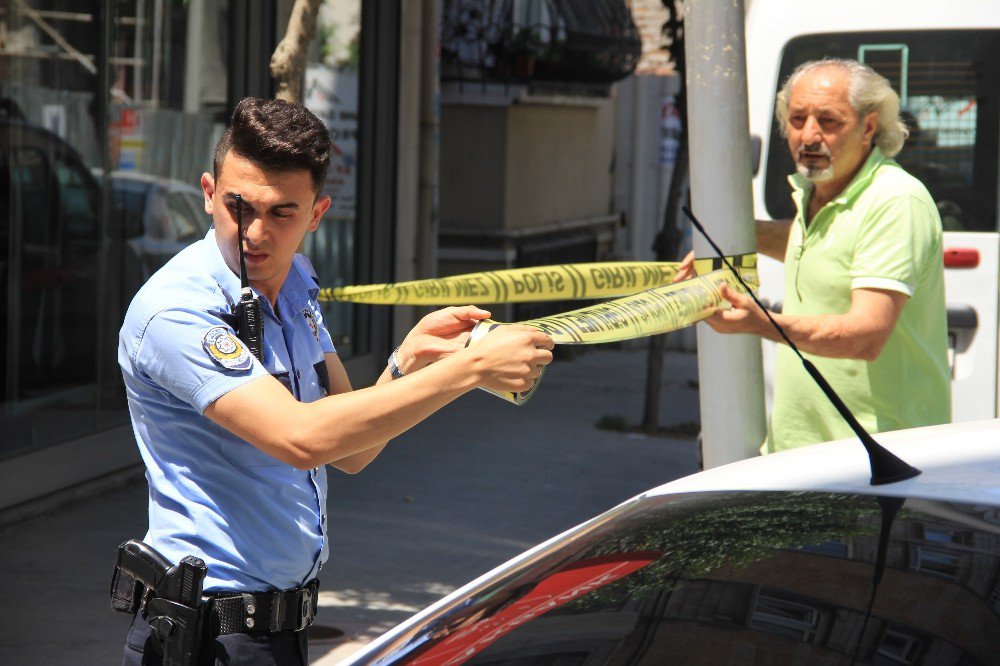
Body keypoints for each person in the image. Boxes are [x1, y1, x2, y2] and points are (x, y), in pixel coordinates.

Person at [116, 97, 553, 665]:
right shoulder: (175, 312)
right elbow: (303, 440)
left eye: (282, 213)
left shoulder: (294, 277)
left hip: (277, 631)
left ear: (317, 214)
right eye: (237, 206)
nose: (254, 232)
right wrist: (467, 370)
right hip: (208, 638)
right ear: (207, 191)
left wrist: (407, 362)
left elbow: (352, 451)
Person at [687, 58, 950, 453]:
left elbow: (866, 336)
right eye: (797, 119)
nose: (809, 135)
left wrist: (764, 324)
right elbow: (818, 245)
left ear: (869, 126)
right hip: (802, 452)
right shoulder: (818, 194)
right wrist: (733, 238)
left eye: (828, 121)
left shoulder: (894, 200)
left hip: (876, 460)